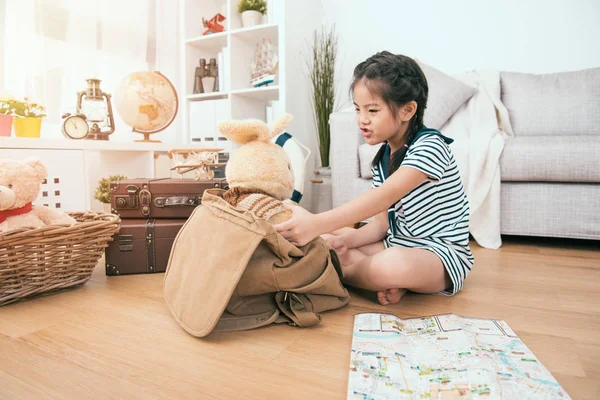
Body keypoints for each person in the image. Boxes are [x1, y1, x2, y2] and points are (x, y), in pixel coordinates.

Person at [274, 51, 474, 305]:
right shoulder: (382, 157)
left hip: (440, 256)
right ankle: (376, 277)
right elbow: (381, 225)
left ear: (407, 110)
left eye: (372, 110)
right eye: (358, 109)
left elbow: (381, 198)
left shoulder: (430, 146)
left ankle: (340, 274)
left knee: (389, 265)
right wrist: (346, 239)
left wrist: (316, 223)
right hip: (395, 243)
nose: (362, 120)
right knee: (331, 240)